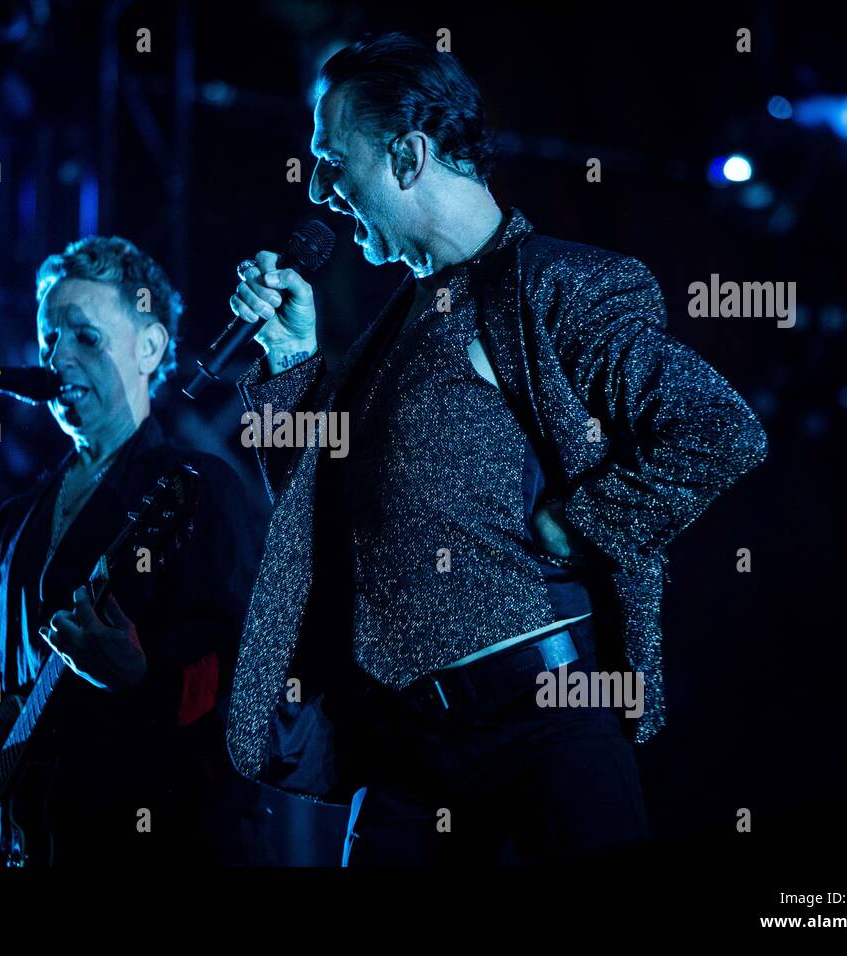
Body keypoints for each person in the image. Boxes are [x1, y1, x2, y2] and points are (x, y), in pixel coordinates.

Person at [224, 33, 768, 865]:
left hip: (542, 724)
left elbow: (720, 427)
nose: (322, 191)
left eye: (334, 160)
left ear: (407, 156)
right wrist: (294, 361)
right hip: (407, 749)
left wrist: (581, 523)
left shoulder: (557, 285)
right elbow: (314, 507)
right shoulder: (389, 330)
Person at [0, 235, 259, 866]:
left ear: (149, 347)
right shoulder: (13, 522)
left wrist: (141, 678)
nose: (59, 357)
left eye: (86, 337)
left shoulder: (196, 489)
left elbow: (242, 677)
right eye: (48, 339)